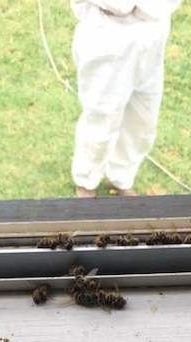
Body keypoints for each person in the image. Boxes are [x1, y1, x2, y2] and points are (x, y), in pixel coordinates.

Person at [70, 0, 183, 198]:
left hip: (154, 30)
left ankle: (121, 178)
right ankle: (86, 182)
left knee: (142, 119)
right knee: (102, 117)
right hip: (110, 31)